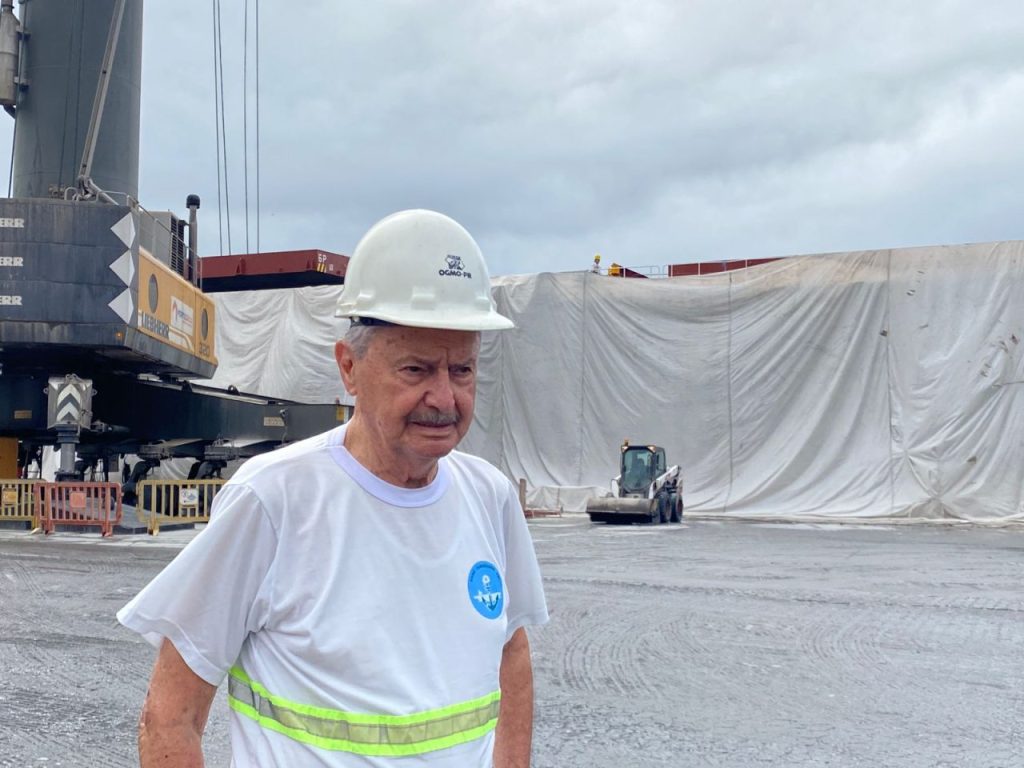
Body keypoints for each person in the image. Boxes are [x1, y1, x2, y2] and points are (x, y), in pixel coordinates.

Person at [118, 209, 549, 767]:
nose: (445, 398)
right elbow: (171, 716)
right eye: (417, 370)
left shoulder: (489, 498)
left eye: (461, 370)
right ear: (349, 368)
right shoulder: (273, 502)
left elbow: (511, 653)